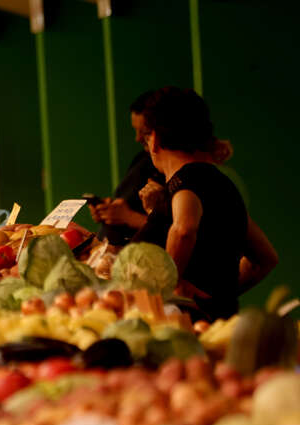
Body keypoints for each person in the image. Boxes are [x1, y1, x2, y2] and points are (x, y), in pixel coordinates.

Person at [139, 86, 277, 320]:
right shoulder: (218, 182)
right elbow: (265, 259)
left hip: (182, 331)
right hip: (212, 325)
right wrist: (217, 299)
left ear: (155, 139)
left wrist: (167, 291)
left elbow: (184, 229)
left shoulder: (187, 180)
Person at [91, 91, 164, 245]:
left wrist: (128, 217)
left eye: (145, 133)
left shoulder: (180, 177)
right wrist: (108, 210)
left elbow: (174, 229)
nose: (138, 138)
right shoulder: (142, 159)